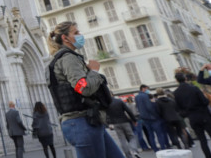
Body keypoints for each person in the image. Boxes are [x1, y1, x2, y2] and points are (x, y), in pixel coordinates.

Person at [46, 21, 123, 158]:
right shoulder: (68, 58)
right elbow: (83, 88)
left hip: (87, 121)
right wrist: (93, 71)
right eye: (76, 33)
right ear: (65, 38)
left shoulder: (62, 59)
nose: (80, 35)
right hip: (82, 122)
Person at [174, 71, 211, 158]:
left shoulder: (176, 93)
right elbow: (205, 101)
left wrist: (187, 112)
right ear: (186, 79)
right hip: (203, 115)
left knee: (202, 140)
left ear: (177, 81)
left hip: (192, 118)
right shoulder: (194, 88)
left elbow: (179, 109)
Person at [135, 84, 169, 151]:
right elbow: (149, 107)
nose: (148, 90)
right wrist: (155, 115)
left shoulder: (137, 97)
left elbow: (138, 107)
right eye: (147, 89)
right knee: (159, 134)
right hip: (152, 118)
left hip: (144, 118)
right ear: (143, 88)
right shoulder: (145, 96)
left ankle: (154, 148)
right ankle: (163, 147)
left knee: (151, 134)